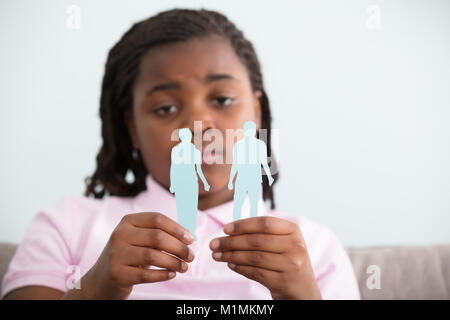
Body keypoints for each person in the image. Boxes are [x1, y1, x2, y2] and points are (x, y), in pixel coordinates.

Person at [1, 8, 360, 300]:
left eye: (221, 100)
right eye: (165, 108)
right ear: (132, 129)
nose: (198, 125)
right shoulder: (67, 225)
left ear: (255, 112)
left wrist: (302, 296)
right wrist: (97, 288)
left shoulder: (313, 246)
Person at [228, 121, 274, 221]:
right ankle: (235, 226)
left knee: (254, 204)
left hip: (255, 179)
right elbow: (235, 165)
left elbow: (264, 163)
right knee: (239, 203)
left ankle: (252, 227)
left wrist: (269, 177)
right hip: (242, 178)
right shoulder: (238, 146)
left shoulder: (260, 145)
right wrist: (231, 180)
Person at [170, 128, 210, 241]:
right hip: (180, 182)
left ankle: (190, 232)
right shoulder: (176, 150)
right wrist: (173, 183)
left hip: (192, 182)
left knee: (191, 207)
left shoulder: (195, 151)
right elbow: (174, 168)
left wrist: (205, 183)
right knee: (182, 207)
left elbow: (199, 170)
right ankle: (183, 232)